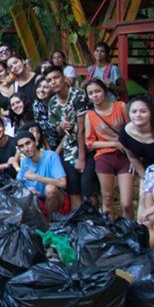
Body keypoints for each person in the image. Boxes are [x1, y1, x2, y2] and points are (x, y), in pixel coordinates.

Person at [45, 65, 95, 210]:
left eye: (56, 77)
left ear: (64, 78)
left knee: (89, 190)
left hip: (86, 148)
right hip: (68, 152)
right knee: (74, 192)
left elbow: (81, 129)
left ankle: (95, 224)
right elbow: (59, 131)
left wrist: (82, 158)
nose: (53, 82)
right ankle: (76, 226)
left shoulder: (78, 96)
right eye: (49, 80)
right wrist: (61, 125)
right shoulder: (52, 103)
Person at [84, 78, 132, 218]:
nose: (95, 95)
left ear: (104, 91)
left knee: (127, 203)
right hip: (104, 157)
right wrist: (114, 144)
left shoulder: (121, 106)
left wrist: (129, 150)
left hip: (125, 156)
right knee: (107, 199)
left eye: (98, 91)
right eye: (91, 93)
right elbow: (90, 143)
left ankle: (132, 230)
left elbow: (131, 129)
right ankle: (109, 233)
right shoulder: (90, 115)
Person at [14, 132, 68, 215]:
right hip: (37, 201)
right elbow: (18, 184)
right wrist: (27, 190)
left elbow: (63, 183)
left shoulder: (51, 156)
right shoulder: (25, 162)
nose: (26, 149)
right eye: (21, 146)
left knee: (50, 189)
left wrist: (36, 177)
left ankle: (52, 223)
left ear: (36, 142)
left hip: (57, 199)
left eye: (28, 143)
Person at [120, 94, 154, 176]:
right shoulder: (125, 134)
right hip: (149, 169)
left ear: (151, 113)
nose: (138, 115)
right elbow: (132, 157)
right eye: (134, 111)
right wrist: (144, 178)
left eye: (143, 111)